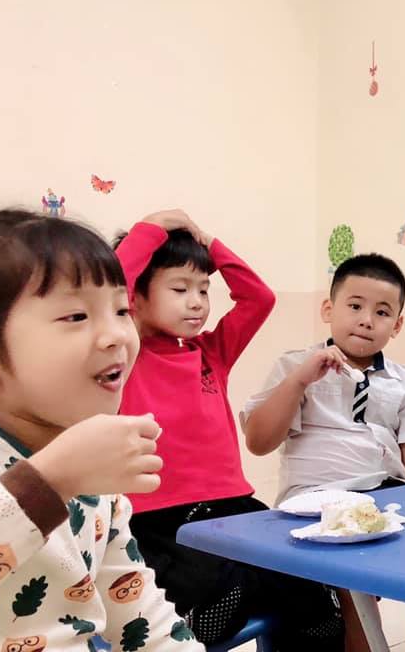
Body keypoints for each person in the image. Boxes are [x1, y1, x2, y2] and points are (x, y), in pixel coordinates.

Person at [114, 209, 342, 649]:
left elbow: (259, 298)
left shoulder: (210, 353)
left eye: (204, 289)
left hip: (231, 507)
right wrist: (152, 228)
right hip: (160, 519)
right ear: (136, 297)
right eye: (180, 289)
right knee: (223, 588)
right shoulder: (124, 355)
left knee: (311, 579)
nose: (197, 302)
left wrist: (210, 244)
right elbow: (111, 290)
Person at [0, 209, 201, 651]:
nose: (117, 335)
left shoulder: (95, 480)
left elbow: (146, 624)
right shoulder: (60, 468)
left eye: (122, 310)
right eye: (76, 316)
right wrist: (50, 481)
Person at [242, 252, 405, 651]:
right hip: (311, 502)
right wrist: (300, 380)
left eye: (382, 312)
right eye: (355, 306)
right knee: (343, 575)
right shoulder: (294, 366)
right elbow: (259, 442)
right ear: (328, 309)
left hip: (385, 496)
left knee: (365, 568)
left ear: (397, 325)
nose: (367, 320)